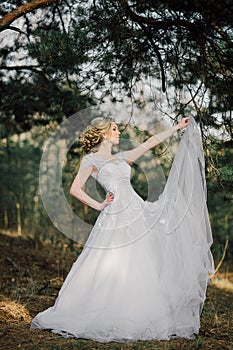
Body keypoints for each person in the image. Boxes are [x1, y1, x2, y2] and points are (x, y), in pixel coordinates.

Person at [31, 115, 214, 342]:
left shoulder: (121, 158)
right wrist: (99, 204)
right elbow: (74, 189)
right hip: (114, 216)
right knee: (110, 261)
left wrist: (176, 127)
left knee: (141, 262)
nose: (119, 133)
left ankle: (140, 311)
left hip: (136, 212)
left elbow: (149, 143)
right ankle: (100, 310)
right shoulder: (91, 161)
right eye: (115, 129)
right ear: (105, 133)